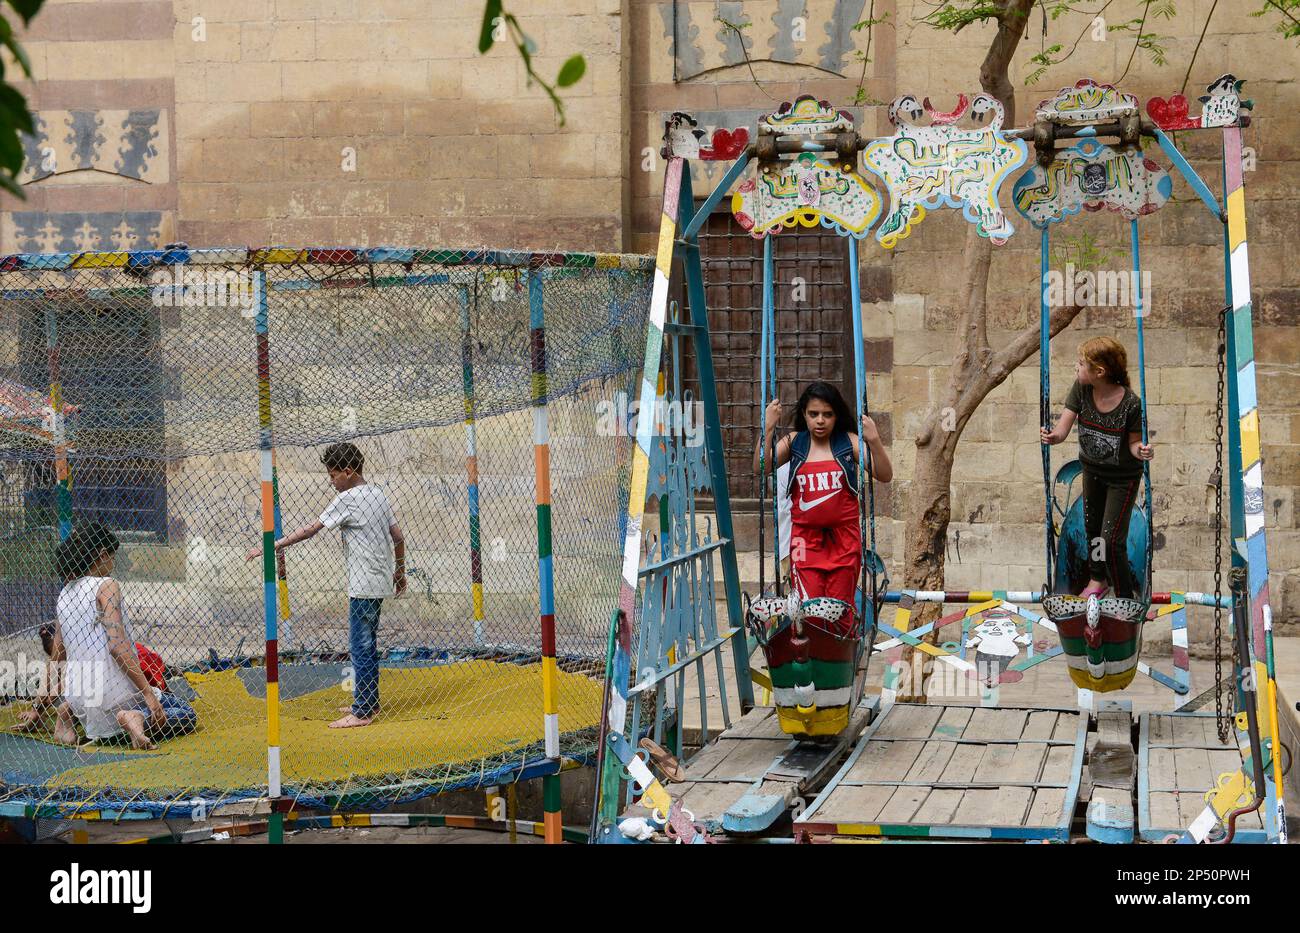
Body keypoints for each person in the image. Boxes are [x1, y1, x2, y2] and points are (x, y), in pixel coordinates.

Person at [247, 442, 405, 728]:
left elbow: (311, 530)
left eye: (333, 475)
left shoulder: (348, 498)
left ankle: (363, 711)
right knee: (368, 643)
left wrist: (272, 545)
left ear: (348, 471)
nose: (331, 482)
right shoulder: (378, 494)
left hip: (363, 584)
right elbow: (398, 536)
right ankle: (368, 700)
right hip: (379, 580)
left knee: (360, 645)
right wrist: (400, 572)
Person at [37, 522, 196, 749]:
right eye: (112, 557)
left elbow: (57, 659)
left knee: (91, 696)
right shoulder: (106, 585)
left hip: (81, 702)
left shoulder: (65, 593)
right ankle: (136, 717)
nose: (113, 564)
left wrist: (37, 709)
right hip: (113, 698)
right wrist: (149, 695)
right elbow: (117, 647)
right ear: (102, 555)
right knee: (186, 712)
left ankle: (67, 716)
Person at [754, 381, 892, 619]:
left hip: (845, 541)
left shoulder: (848, 442)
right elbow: (760, 467)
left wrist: (874, 440)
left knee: (838, 610)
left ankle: (839, 653)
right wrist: (767, 429)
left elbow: (885, 474)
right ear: (804, 415)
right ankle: (810, 654)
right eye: (814, 414)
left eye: (827, 414)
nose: (820, 420)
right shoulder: (794, 442)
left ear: (836, 416)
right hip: (804, 543)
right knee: (807, 610)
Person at [1041, 336, 1154, 599]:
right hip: (1092, 472)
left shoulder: (1131, 404)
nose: (1076, 368)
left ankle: (1125, 595)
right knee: (1093, 531)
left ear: (1099, 372)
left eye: (1081, 364)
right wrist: (1052, 437)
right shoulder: (1081, 390)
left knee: (1111, 539)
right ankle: (1097, 580)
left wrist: (1144, 451)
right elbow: (1063, 429)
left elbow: (1134, 444)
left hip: (1122, 478)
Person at [12, 621, 171, 736]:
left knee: (80, 696)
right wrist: (37, 708)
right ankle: (136, 716)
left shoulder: (78, 635)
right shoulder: (90, 641)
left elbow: (62, 678)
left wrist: (39, 708)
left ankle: (70, 710)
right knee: (182, 712)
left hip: (117, 684)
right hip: (122, 689)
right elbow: (56, 669)